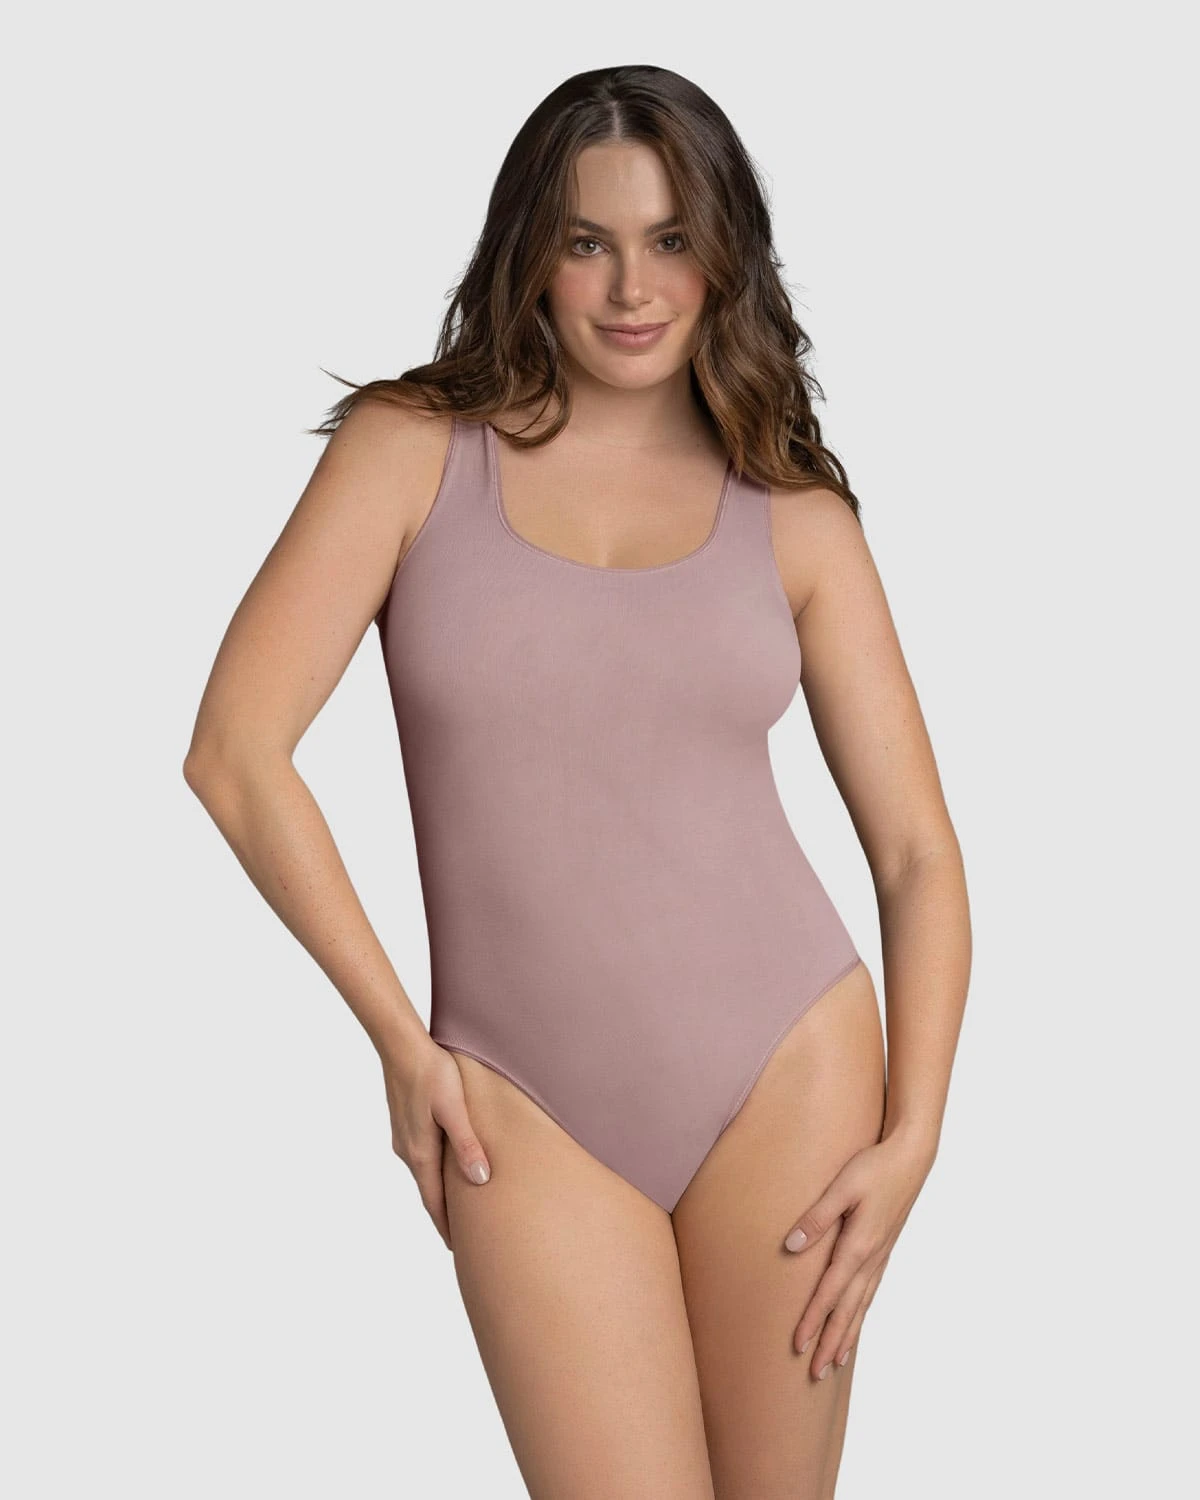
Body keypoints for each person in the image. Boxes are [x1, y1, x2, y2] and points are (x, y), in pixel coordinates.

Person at [184, 64, 971, 1500]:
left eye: (671, 239)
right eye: (587, 240)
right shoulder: (411, 453)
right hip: (516, 1096)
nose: (631, 287)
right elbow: (235, 753)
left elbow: (917, 852)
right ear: (529, 252)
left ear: (725, 252)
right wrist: (402, 1044)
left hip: (787, 1069)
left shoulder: (794, 511)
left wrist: (916, 1132)